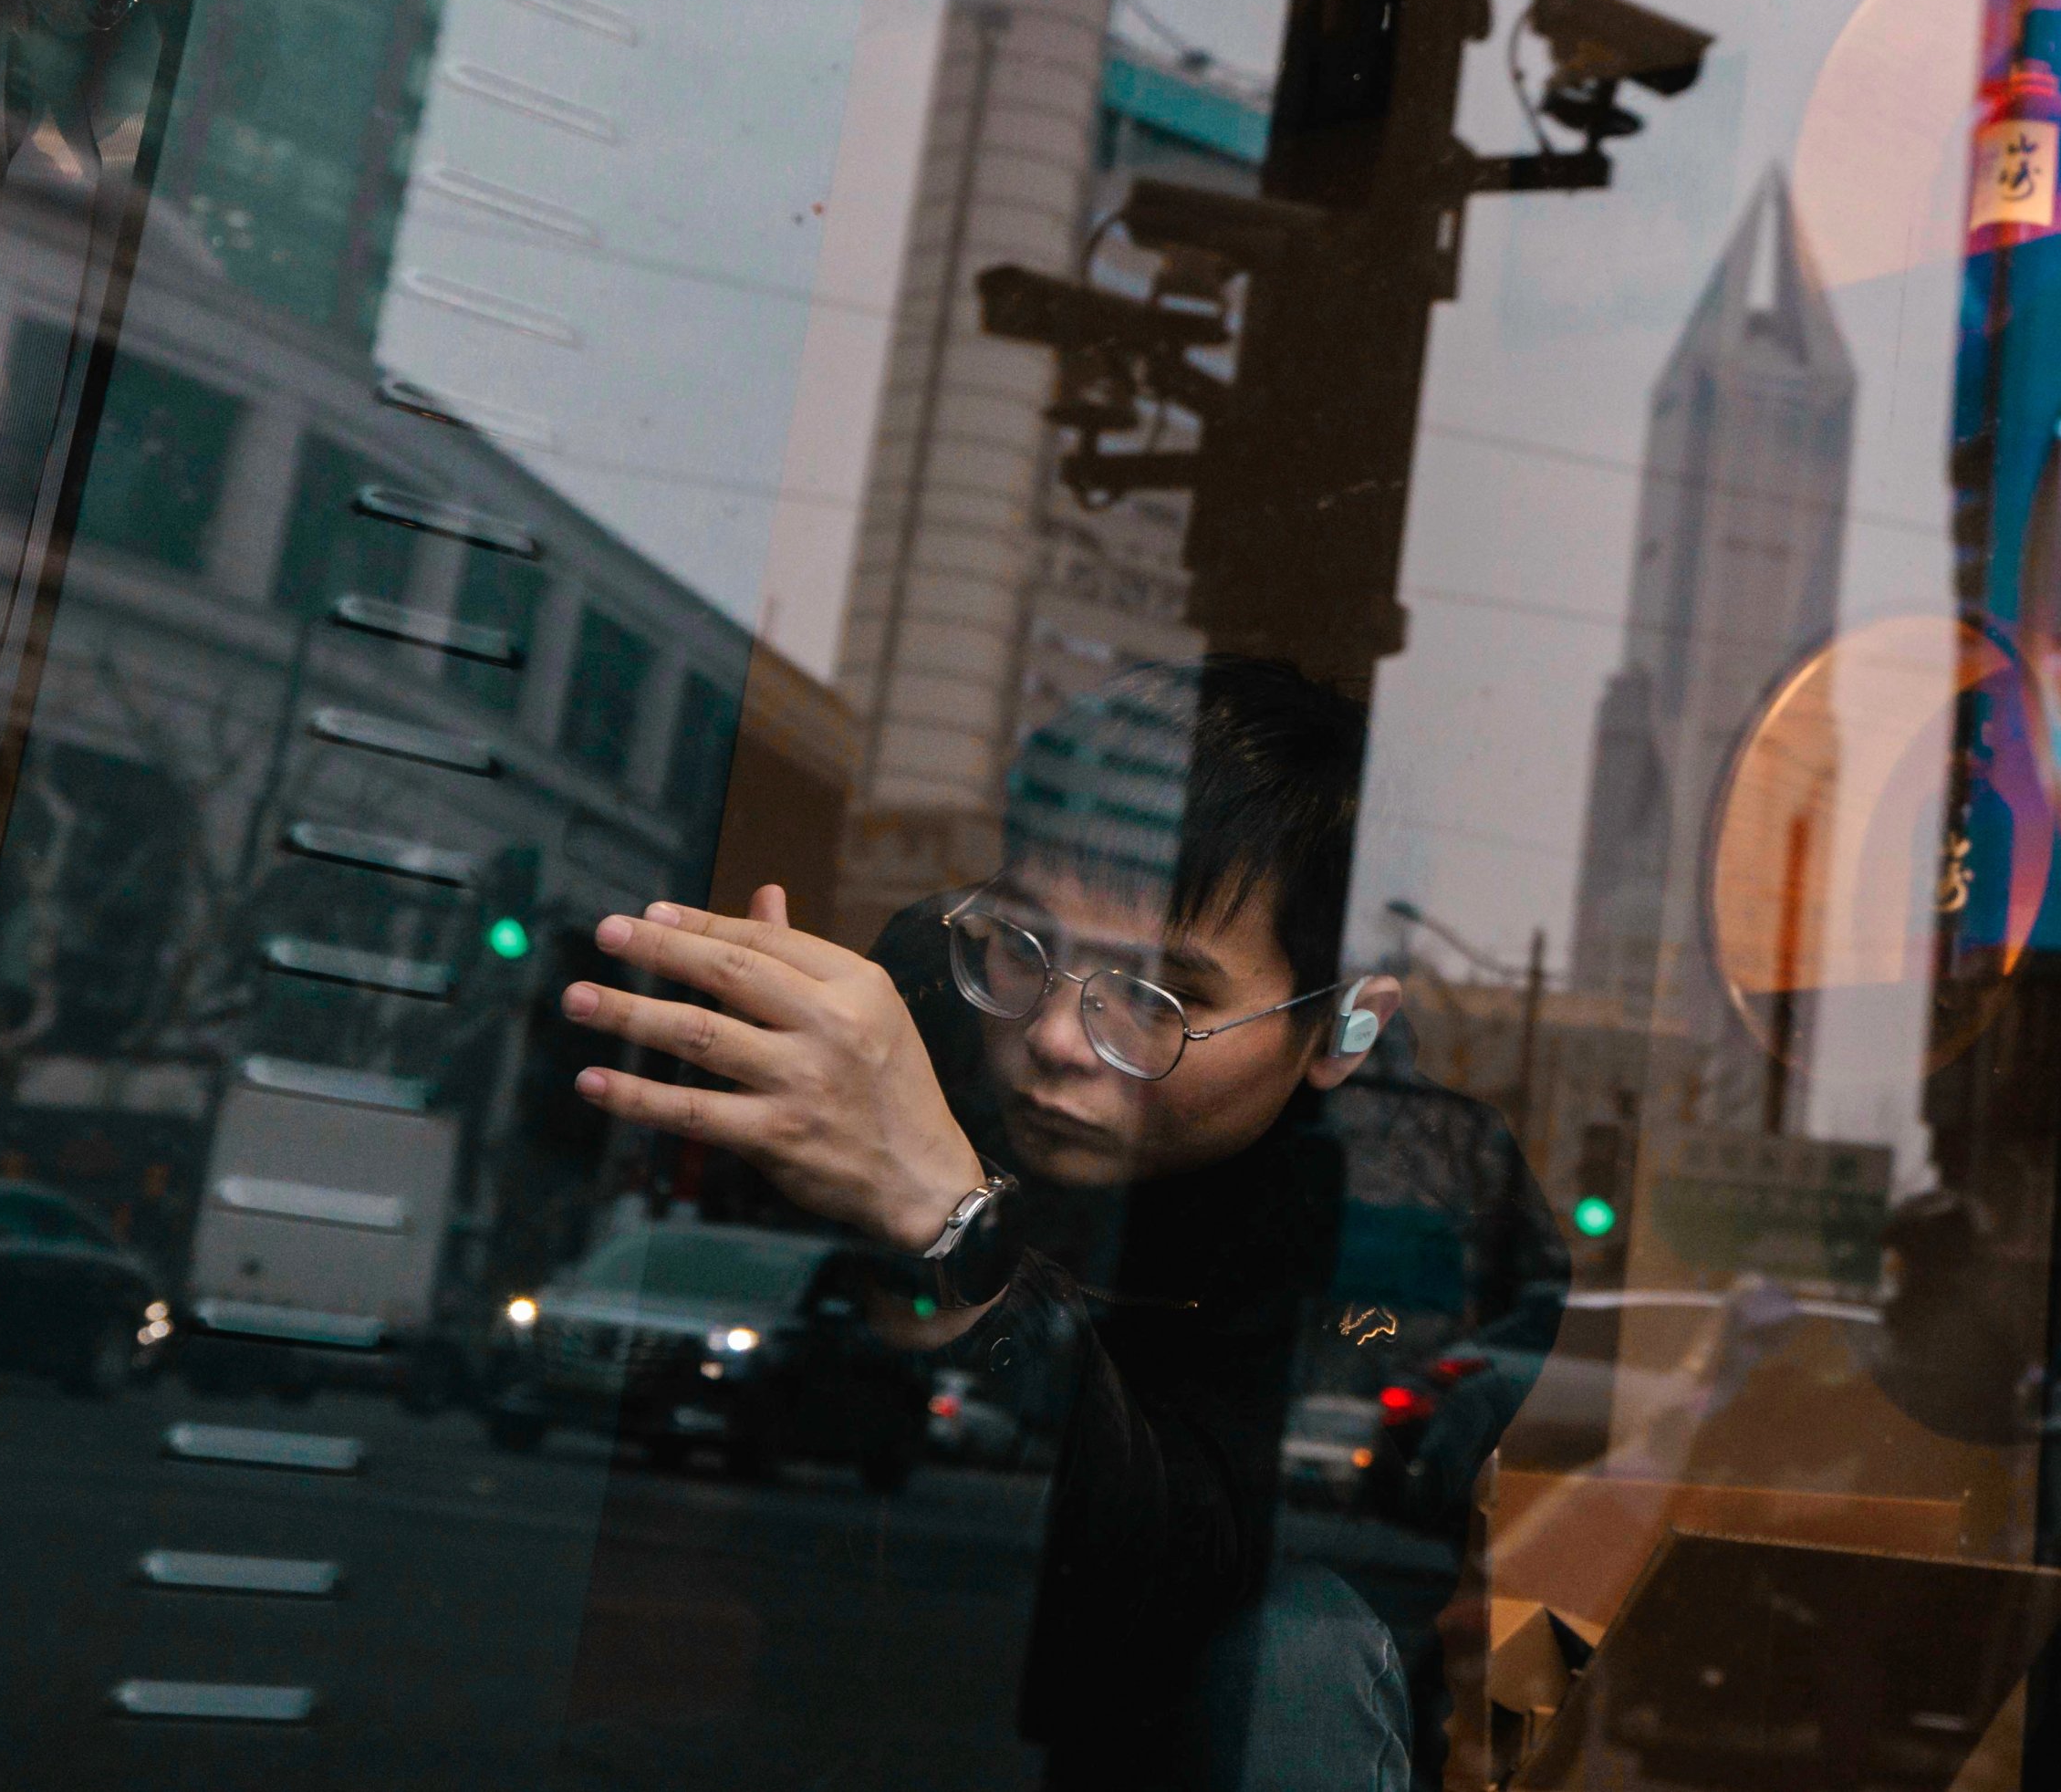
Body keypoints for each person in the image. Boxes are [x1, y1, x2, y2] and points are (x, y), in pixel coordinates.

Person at [564, 655, 1555, 1789]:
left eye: (1159, 997)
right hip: (862, 1703)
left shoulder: (1399, 1189)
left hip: (1152, 1744)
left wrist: (954, 1231)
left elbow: (1193, 1562)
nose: (1056, 1038)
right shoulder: (922, 1011)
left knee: (1302, 1644)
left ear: (1344, 1031)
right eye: (1029, 944)